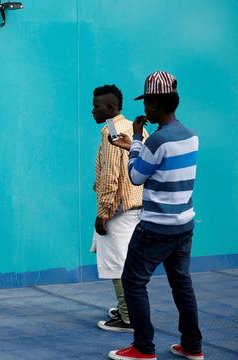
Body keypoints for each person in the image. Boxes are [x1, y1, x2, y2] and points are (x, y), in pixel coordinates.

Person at [107, 71, 204, 360]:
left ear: (152, 106)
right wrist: (136, 146)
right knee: (181, 283)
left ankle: (143, 348)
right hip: (184, 225)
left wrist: (136, 139)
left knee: (133, 283)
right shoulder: (190, 136)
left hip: (156, 228)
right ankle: (192, 346)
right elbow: (160, 165)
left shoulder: (155, 141)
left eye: (147, 103)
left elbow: (136, 176)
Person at [90, 84, 148, 333]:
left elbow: (111, 175)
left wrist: (103, 213)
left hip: (119, 208)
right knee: (127, 261)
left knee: (117, 263)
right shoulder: (135, 130)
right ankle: (127, 309)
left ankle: (127, 317)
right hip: (136, 205)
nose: (92, 111)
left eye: (97, 106)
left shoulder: (111, 130)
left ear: (111, 108)